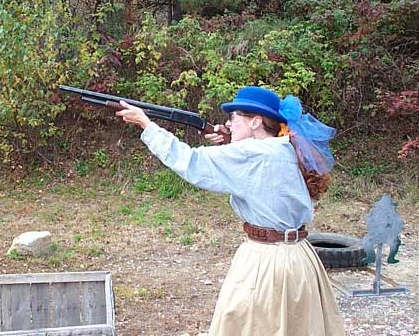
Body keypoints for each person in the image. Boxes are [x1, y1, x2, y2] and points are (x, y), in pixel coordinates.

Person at [115, 86, 345, 336]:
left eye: (234, 118)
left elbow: (192, 162)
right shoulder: (285, 147)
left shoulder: (252, 154)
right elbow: (257, 168)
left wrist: (146, 126)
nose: (227, 123)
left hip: (266, 263)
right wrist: (229, 139)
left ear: (256, 121)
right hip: (299, 258)